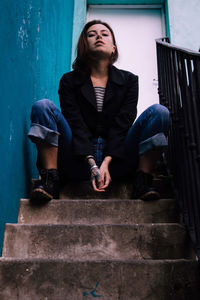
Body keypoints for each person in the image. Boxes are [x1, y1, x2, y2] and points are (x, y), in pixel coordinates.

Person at [28, 19, 170, 202]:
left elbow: (122, 124)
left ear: (114, 48)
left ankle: (143, 181)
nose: (98, 37)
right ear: (84, 46)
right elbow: (76, 124)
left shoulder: (129, 81)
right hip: (77, 158)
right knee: (43, 106)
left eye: (104, 34)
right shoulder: (69, 81)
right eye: (91, 34)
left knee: (159, 112)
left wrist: (106, 162)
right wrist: (93, 165)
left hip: (118, 160)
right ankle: (50, 181)